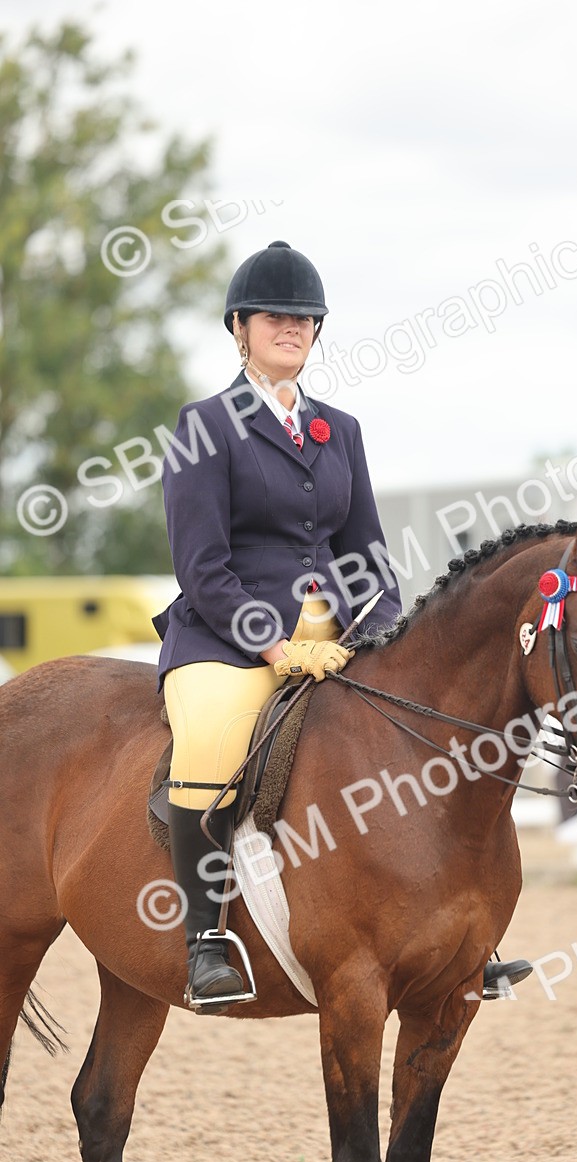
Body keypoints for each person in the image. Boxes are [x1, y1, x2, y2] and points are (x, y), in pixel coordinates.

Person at [153, 241, 531, 1010]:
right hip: (225, 638)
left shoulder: (340, 430)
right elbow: (203, 565)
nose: (290, 328)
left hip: (332, 637)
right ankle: (205, 941)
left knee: (421, 732)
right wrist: (271, 642)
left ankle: (459, 936)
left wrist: (381, 632)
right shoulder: (204, 427)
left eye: (303, 319)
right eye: (273, 318)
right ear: (239, 328)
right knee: (211, 744)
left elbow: (367, 553)